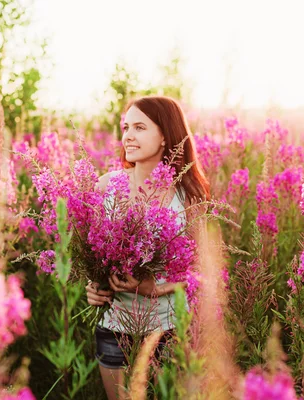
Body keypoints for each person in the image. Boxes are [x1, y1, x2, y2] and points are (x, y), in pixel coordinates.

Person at [86, 95, 211, 400]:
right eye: (126, 127)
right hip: (114, 326)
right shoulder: (106, 187)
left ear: (166, 135)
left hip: (168, 331)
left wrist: (155, 287)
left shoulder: (189, 197)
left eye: (140, 127)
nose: (128, 135)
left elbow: (204, 274)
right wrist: (93, 285)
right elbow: (94, 255)